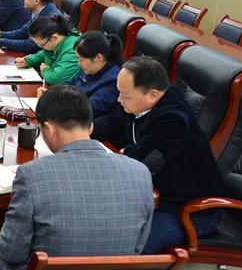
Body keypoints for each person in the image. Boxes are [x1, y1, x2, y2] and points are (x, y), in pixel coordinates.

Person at [0, 85, 154, 270]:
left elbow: (11, 252)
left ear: (49, 129)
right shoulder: (140, 172)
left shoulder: (32, 175)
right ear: (91, 126)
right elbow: (137, 248)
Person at [92, 56, 224, 254]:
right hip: (154, 194)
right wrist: (85, 129)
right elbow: (111, 122)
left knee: (130, 247)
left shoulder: (173, 120)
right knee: (97, 223)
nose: (119, 100)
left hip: (188, 208)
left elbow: (141, 163)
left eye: (124, 95)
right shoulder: (138, 103)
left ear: (153, 95)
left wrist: (129, 151)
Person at [37, 31, 123, 118]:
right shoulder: (91, 68)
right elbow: (70, 83)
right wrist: (51, 93)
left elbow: (87, 111)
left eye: (81, 59)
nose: (78, 63)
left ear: (98, 58)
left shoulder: (112, 82)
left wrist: (54, 103)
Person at [15, 14, 80, 85]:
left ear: (54, 38)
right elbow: (44, 54)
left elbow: (56, 79)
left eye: (41, 44)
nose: (41, 47)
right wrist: (28, 61)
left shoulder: (73, 49)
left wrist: (45, 70)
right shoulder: (57, 41)